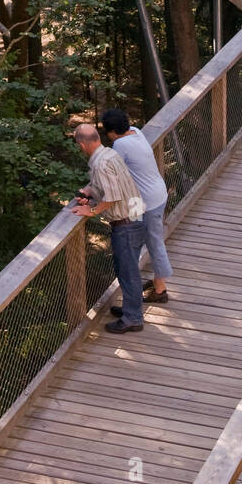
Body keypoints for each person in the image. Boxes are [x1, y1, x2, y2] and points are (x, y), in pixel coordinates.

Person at [71, 123, 146, 335]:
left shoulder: (101, 164)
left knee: (128, 271)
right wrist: (89, 192)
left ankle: (133, 318)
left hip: (126, 223)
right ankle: (130, 309)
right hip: (135, 216)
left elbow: (113, 197)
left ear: (83, 145)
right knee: (126, 269)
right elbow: (107, 187)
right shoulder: (109, 155)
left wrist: (91, 212)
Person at [101, 108, 172, 307]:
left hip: (147, 202)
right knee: (137, 239)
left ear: (112, 132)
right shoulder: (136, 131)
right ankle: (154, 282)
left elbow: (108, 175)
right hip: (151, 195)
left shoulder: (120, 145)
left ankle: (160, 289)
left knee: (153, 242)